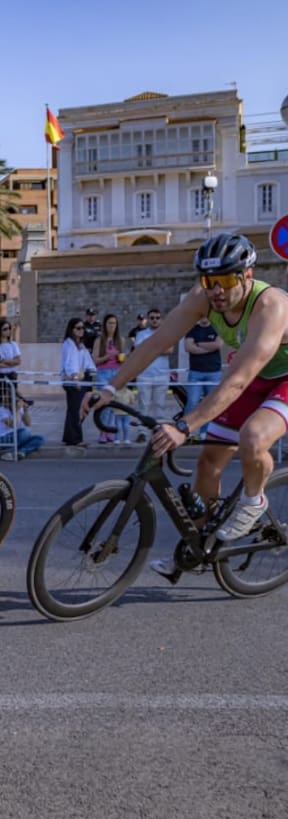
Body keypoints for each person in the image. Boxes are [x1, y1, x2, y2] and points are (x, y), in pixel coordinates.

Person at [84, 233, 288, 578]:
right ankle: (201, 546)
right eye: (209, 281)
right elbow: (155, 344)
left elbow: (237, 380)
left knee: (253, 439)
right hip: (251, 378)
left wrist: (184, 426)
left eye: (225, 280)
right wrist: (110, 388)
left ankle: (254, 500)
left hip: (282, 378)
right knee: (208, 464)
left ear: (247, 276)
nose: (216, 291)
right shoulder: (203, 298)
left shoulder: (271, 306)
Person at [131, 308, 172, 440]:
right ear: (148, 320)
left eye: (157, 318)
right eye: (152, 318)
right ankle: (141, 432)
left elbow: (170, 350)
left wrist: (151, 349)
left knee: (160, 406)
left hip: (162, 374)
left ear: (161, 319)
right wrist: (159, 349)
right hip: (145, 374)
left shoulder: (167, 333)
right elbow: (140, 351)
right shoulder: (141, 334)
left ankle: (158, 432)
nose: (155, 320)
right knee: (144, 405)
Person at [184, 313, 223, 427]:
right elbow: (188, 347)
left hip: (213, 372)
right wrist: (209, 348)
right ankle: (187, 430)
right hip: (196, 372)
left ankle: (206, 432)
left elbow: (218, 344)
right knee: (192, 402)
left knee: (211, 404)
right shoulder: (192, 329)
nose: (203, 317)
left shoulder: (216, 328)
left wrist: (199, 344)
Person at [60, 318, 95, 446]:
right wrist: (75, 380)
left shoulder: (80, 344)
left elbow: (87, 361)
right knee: (76, 409)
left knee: (75, 409)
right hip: (73, 380)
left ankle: (69, 437)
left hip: (82, 378)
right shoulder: (69, 344)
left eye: (82, 328)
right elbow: (70, 364)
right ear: (71, 329)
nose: (81, 331)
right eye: (78, 328)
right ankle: (75, 439)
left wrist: (92, 373)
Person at [91, 313, 124, 442]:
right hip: (103, 372)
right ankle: (102, 432)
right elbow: (95, 360)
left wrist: (122, 358)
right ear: (105, 325)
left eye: (114, 323)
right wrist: (108, 356)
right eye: (110, 323)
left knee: (113, 405)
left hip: (116, 372)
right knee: (103, 403)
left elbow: (122, 359)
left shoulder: (120, 340)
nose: (112, 326)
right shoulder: (99, 341)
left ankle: (110, 431)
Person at [0, 319, 21, 424]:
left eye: (9, 329)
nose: (7, 331)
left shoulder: (13, 344)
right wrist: (7, 362)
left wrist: (5, 361)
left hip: (11, 375)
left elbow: (18, 361)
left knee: (12, 400)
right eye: (5, 329)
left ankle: (13, 424)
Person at [0, 394, 44, 460]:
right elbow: (13, 425)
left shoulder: (19, 409)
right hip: (4, 439)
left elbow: (28, 423)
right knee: (26, 432)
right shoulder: (1, 410)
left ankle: (20, 452)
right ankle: (16, 449)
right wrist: (17, 410)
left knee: (40, 438)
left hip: (18, 437)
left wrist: (25, 411)